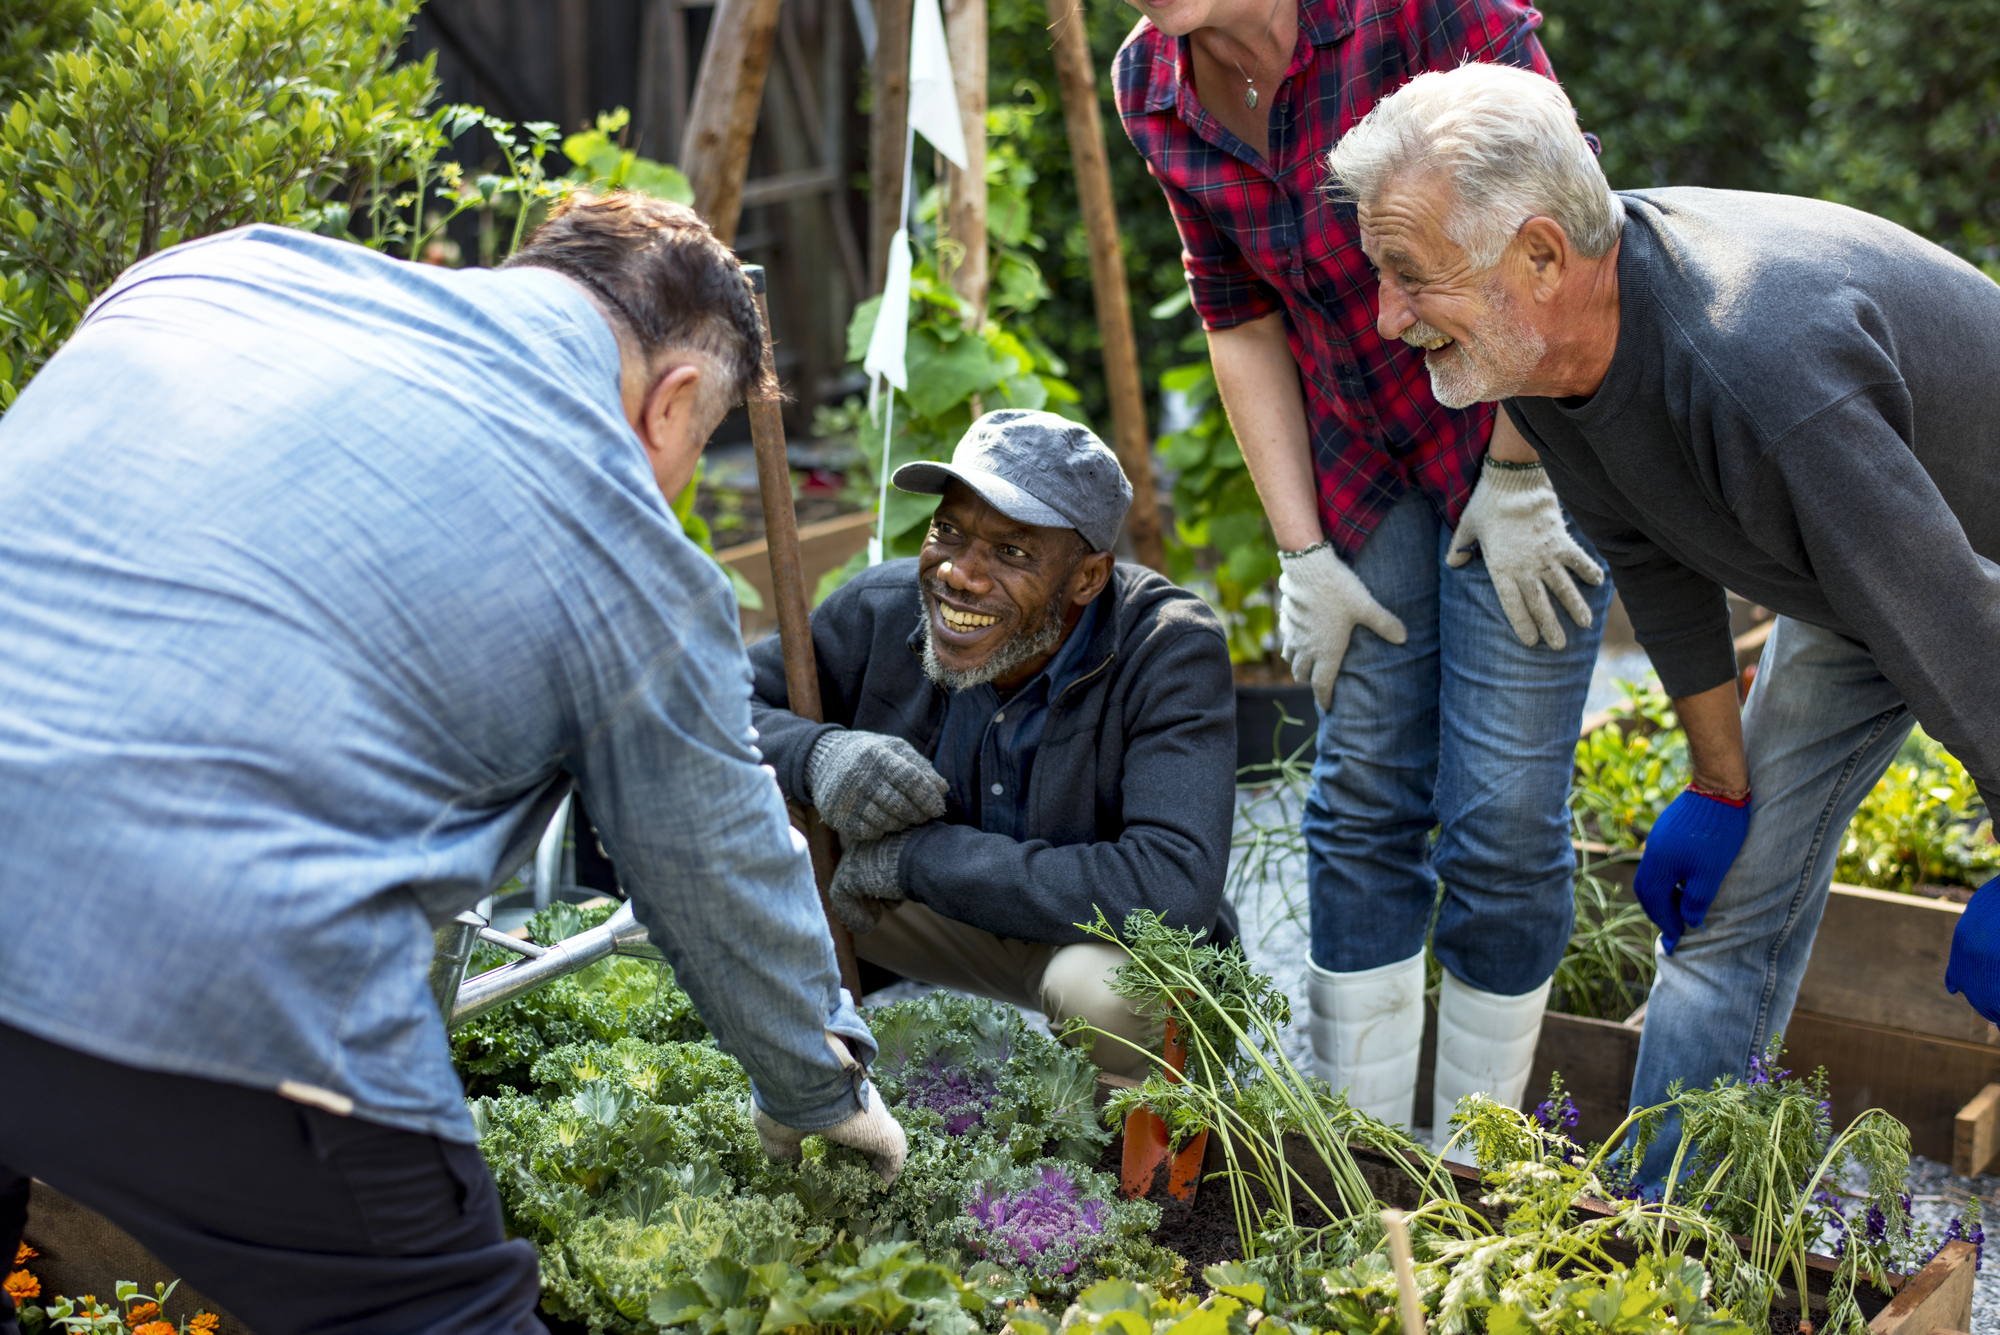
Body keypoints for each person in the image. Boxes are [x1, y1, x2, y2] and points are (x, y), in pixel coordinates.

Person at [0, 196, 903, 1335]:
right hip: (213, 981)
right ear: (673, 401)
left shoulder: (223, 272)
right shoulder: (616, 535)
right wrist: (819, 1092)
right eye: (700, 443)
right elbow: (715, 865)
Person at [1325, 60, 2000, 1182]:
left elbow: (1954, 619)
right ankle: (1662, 1249)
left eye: (1407, 276)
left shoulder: (1760, 370)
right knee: (1725, 915)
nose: (1387, 317)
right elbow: (1650, 553)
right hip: (1852, 572)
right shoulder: (1546, 350)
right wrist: (1717, 781)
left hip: (1951, 568)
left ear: (1537, 253)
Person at [1111, 0, 1613, 1143]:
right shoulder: (1151, 86)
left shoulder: (1422, 12)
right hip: (1363, 465)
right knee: (1360, 807)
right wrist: (1299, 552)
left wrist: (1523, 467)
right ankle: (1367, 1164)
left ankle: (1480, 1170)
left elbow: (1570, 240)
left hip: (1517, 434)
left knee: (1499, 823)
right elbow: (1231, 313)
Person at [748, 409, 1237, 1078]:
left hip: (1089, 941)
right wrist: (817, 754)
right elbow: (711, 703)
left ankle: (1126, 1168)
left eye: (1012, 551)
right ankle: (802, 1085)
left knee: (1111, 998)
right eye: (947, 530)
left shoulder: (1168, 650)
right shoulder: (881, 609)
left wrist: (919, 859)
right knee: (742, 831)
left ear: (1089, 578)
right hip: (924, 919)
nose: (960, 574)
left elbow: (1171, 887)